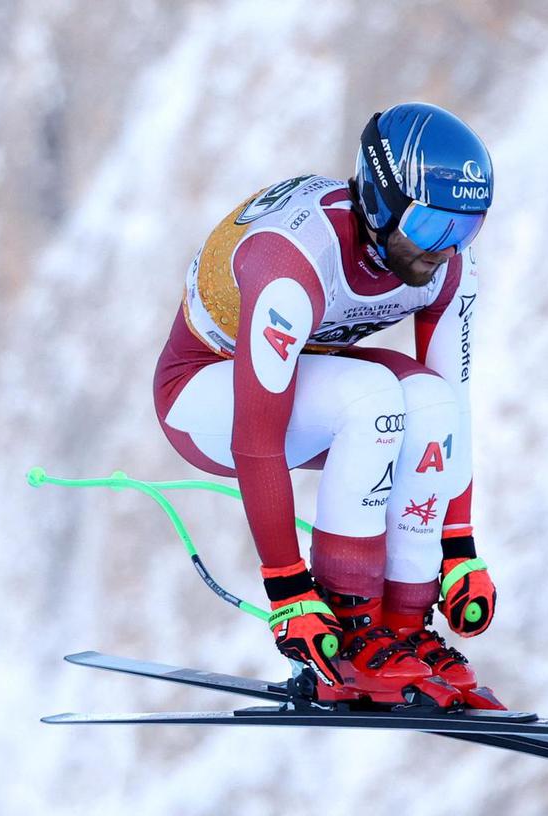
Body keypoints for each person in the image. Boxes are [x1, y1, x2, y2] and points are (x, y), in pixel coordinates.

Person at [153, 103, 499, 708]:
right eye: (428, 228)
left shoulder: (445, 268)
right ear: (380, 201)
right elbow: (257, 437)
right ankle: (353, 633)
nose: (442, 251)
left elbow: (455, 410)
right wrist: (288, 591)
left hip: (301, 381)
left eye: (464, 230)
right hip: (202, 393)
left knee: (431, 402)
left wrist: (459, 550)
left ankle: (402, 630)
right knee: (372, 403)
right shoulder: (295, 259)